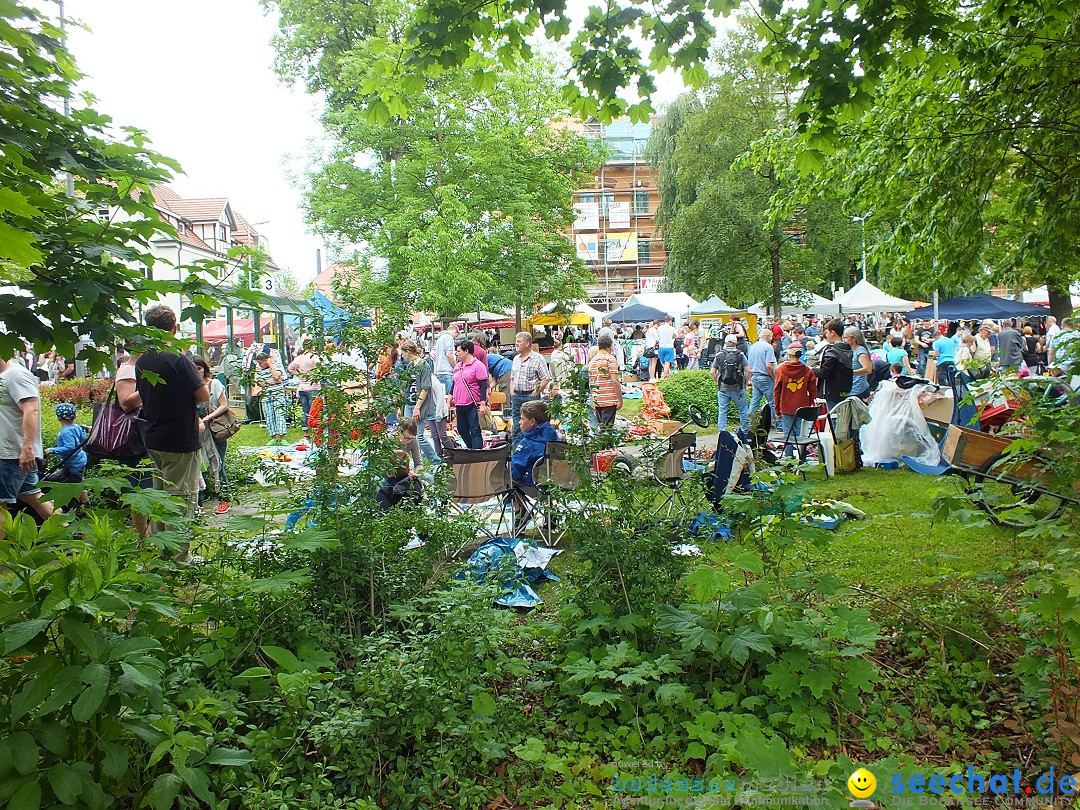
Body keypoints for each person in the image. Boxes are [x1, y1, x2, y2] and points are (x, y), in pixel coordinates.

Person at [135, 305, 209, 557]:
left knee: (161, 498)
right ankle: (180, 558)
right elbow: (202, 395)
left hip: (154, 437)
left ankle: (163, 551)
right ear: (174, 328)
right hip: (180, 439)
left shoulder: (144, 359)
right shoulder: (178, 360)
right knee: (181, 498)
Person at [192, 356, 231, 514]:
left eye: (199, 369)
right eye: (193, 369)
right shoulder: (190, 387)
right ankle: (199, 502)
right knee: (197, 466)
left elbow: (224, 405)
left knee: (218, 463)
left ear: (205, 369)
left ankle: (225, 498)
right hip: (197, 432)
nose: (197, 372)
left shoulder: (214, 384)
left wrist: (208, 417)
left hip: (215, 430)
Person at [400, 341, 443, 462]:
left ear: (408, 352)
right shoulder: (409, 366)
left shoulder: (423, 365)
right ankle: (409, 461)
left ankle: (435, 461)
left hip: (420, 406)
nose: (402, 356)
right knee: (407, 435)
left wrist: (417, 407)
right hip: (408, 404)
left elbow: (425, 388)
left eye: (403, 353)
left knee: (417, 436)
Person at [773, 342, 818, 456]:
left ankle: (789, 461)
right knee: (801, 435)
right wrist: (808, 403)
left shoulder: (782, 370)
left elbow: (777, 391)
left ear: (789, 354)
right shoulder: (807, 370)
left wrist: (777, 409)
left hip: (786, 406)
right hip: (802, 407)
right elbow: (813, 391)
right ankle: (801, 459)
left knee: (788, 435)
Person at [509, 332, 550, 442]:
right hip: (517, 396)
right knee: (517, 428)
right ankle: (518, 454)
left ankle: (534, 450)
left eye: (519, 341)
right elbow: (512, 377)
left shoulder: (538, 358)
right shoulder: (516, 358)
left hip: (530, 396)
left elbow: (546, 378)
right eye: (516, 341)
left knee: (533, 426)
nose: (516, 343)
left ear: (527, 343)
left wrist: (535, 392)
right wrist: (512, 391)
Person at [510, 399, 561, 486]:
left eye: (522, 419)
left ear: (532, 422)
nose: (519, 422)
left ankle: (512, 500)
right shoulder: (556, 439)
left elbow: (515, 472)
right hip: (557, 485)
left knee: (508, 481)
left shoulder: (527, 443)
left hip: (534, 486)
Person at [451, 339, 488, 450]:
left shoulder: (478, 365)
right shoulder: (458, 366)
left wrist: (482, 403)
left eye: (458, 351)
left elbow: (483, 385)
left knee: (475, 429)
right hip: (459, 403)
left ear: (466, 351)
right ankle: (471, 448)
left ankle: (477, 453)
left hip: (473, 403)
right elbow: (455, 383)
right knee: (462, 429)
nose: (456, 353)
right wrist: (450, 398)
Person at [711, 334, 750, 433]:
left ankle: (722, 431)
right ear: (735, 343)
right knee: (743, 410)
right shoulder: (740, 354)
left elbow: (712, 372)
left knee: (723, 411)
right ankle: (745, 431)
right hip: (738, 387)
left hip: (723, 388)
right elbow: (748, 370)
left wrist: (718, 381)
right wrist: (745, 382)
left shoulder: (719, 355)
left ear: (725, 342)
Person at [815, 319, 853, 411]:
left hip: (832, 391)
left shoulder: (832, 350)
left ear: (833, 332)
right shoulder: (848, 349)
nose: (826, 334)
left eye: (827, 331)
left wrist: (812, 369)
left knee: (834, 420)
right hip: (846, 390)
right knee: (843, 419)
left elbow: (825, 372)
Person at [252, 350, 288, 445]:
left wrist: (271, 366)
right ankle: (273, 437)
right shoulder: (259, 370)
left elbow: (276, 376)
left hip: (278, 395)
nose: (259, 365)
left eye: (261, 363)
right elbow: (259, 382)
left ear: (266, 360)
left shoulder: (277, 366)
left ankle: (282, 437)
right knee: (269, 416)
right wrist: (273, 381)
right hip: (266, 396)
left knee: (280, 415)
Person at [588, 334, 622, 426]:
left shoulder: (592, 361)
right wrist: (620, 399)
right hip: (609, 400)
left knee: (602, 428)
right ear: (610, 346)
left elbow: (591, 382)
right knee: (607, 430)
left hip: (597, 400)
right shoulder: (610, 359)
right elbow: (615, 381)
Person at [287, 339, 320, 435]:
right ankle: (314, 430)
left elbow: (290, 368)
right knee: (314, 410)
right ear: (312, 346)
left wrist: (299, 374)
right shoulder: (314, 357)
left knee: (305, 410)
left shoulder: (299, 358)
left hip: (302, 387)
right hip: (313, 386)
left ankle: (306, 432)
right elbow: (320, 368)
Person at [747, 329, 778, 424]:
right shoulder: (768, 347)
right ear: (768, 336)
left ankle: (749, 422)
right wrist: (774, 377)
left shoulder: (753, 347)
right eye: (771, 336)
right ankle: (778, 425)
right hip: (766, 378)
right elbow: (769, 365)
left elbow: (749, 365)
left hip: (755, 376)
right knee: (773, 402)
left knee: (755, 402)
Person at [844, 326, 874, 401]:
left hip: (858, 390)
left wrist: (850, 373)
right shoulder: (851, 350)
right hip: (851, 388)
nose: (844, 340)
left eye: (846, 337)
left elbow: (868, 369)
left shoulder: (860, 351)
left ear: (854, 338)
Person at [432, 323, 459, 398]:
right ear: (455, 331)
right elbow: (449, 354)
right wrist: (456, 367)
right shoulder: (449, 337)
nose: (454, 338)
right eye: (456, 336)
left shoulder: (439, 338)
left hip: (439, 371)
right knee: (448, 398)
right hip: (447, 372)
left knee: (442, 398)